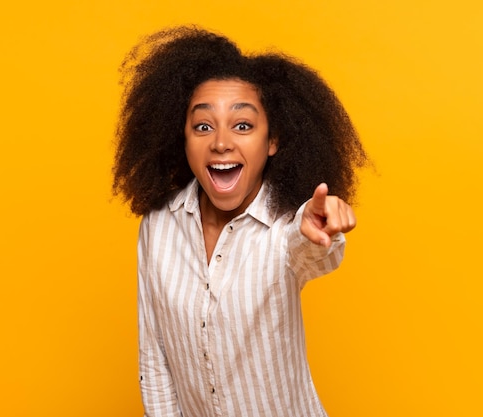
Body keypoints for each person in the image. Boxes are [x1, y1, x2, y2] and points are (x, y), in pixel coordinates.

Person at [113, 26, 368, 417]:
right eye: (203, 125)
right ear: (180, 137)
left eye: (243, 125)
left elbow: (314, 253)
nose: (221, 142)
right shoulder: (158, 227)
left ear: (273, 141)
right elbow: (155, 357)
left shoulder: (287, 229)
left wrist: (323, 231)